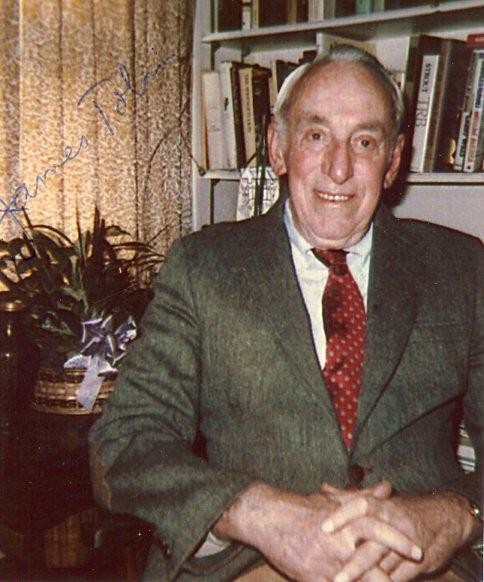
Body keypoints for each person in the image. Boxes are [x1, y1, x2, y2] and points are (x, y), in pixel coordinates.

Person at [89, 45, 482, 581]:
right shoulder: (203, 267)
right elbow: (123, 443)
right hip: (250, 561)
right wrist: (256, 513)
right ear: (278, 147)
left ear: (392, 161)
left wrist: (454, 516)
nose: (339, 169)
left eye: (365, 142)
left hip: (421, 566)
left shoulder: (462, 268)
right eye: (316, 136)